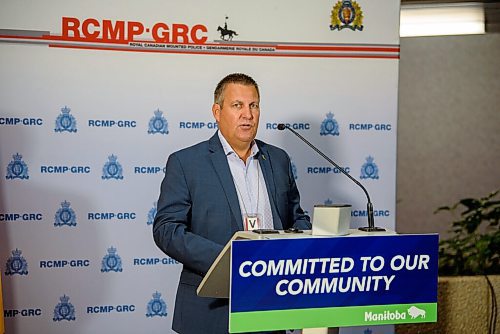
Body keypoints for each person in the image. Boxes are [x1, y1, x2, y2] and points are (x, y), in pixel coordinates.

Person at [153, 73, 311, 334]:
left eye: (254, 105)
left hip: (270, 302)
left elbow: (296, 216)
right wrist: (227, 262)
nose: (247, 115)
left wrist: (304, 241)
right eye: (237, 106)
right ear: (217, 111)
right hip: (211, 311)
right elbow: (166, 229)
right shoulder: (186, 163)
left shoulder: (279, 159)